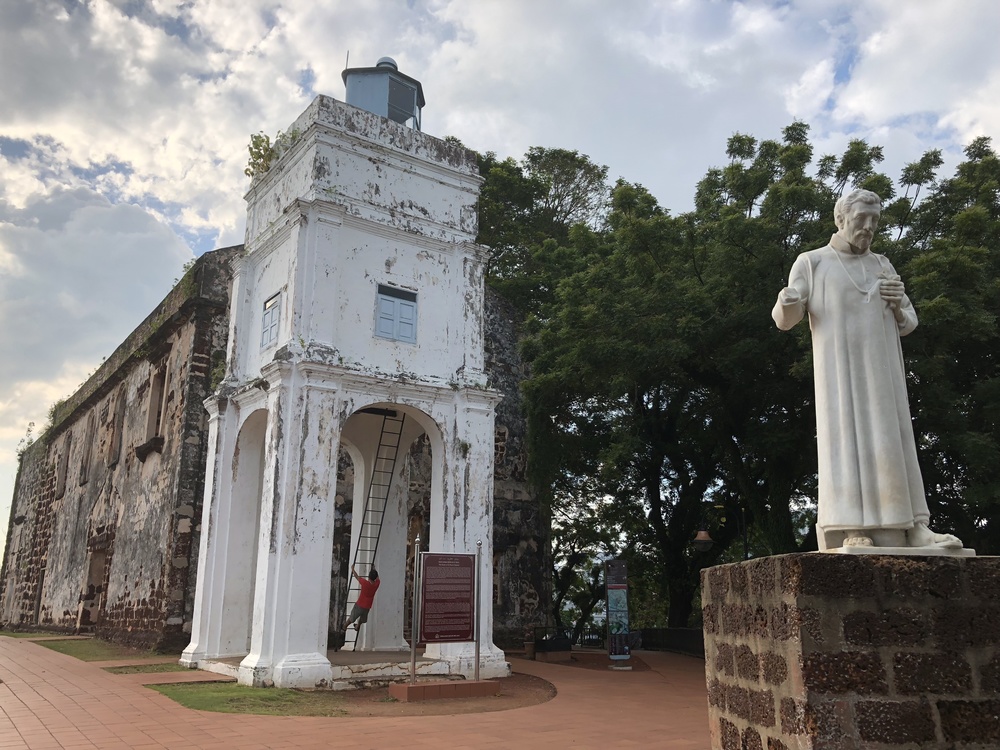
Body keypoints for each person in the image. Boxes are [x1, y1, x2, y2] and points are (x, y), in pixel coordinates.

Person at [772, 189, 962, 550]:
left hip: (883, 371)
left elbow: (909, 321)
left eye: (874, 221)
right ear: (841, 218)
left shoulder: (882, 264)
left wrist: (899, 306)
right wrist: (787, 301)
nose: (869, 227)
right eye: (862, 219)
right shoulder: (812, 262)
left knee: (895, 441)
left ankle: (914, 527)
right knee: (846, 441)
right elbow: (787, 316)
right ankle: (849, 526)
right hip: (840, 375)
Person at [345, 565, 380, 631]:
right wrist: (374, 569)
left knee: (352, 618)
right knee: (362, 619)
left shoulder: (365, 583)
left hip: (360, 604)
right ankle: (358, 626)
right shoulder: (377, 584)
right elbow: (377, 578)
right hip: (368, 606)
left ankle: (344, 627)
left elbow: (356, 576)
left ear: (369, 577)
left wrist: (352, 569)